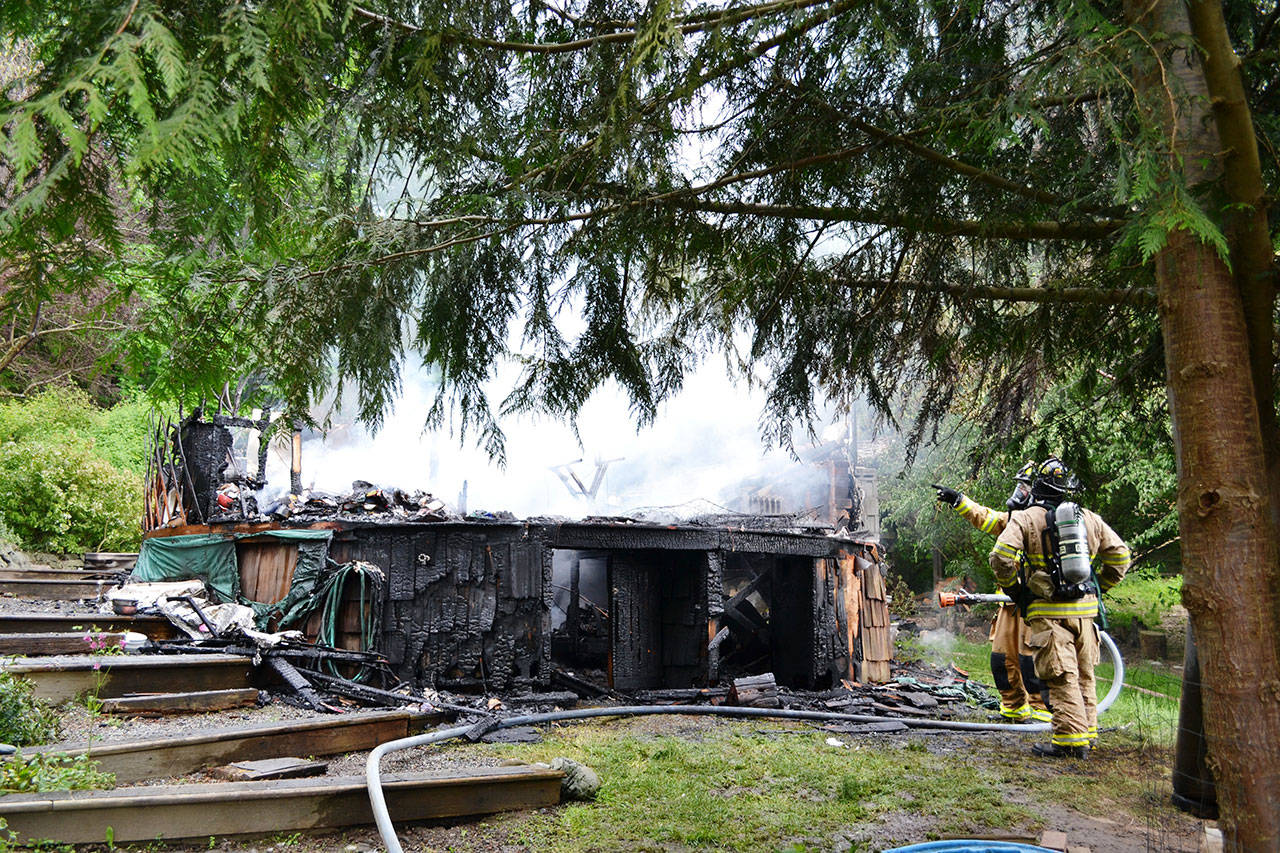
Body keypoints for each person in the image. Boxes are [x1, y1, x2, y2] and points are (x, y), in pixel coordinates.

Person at [989, 457, 1130, 758]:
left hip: (1049, 614)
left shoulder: (1026, 518)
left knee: (1061, 676)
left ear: (1038, 487)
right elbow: (1120, 556)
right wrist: (1099, 587)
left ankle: (1069, 742)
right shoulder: (1088, 518)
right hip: (1085, 614)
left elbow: (1000, 556)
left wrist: (1017, 591)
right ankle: (1088, 734)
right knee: (1084, 674)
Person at [934, 462, 1051, 723]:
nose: (1019, 492)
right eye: (1019, 486)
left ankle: (1044, 716)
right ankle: (1013, 710)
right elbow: (985, 517)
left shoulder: (1047, 525)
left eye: (1025, 487)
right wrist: (958, 500)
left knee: (1031, 662)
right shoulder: (1014, 521)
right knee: (1001, 660)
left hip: (1035, 605)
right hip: (1009, 604)